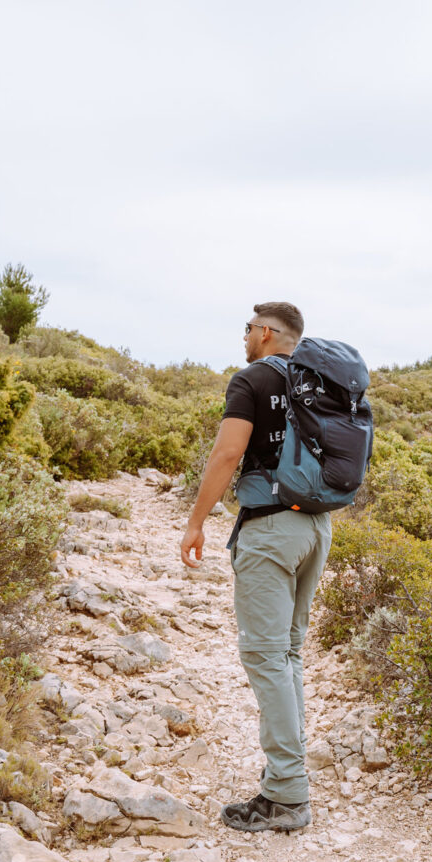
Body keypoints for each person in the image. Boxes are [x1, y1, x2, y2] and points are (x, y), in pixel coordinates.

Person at [180, 301, 332, 832]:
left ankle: (287, 795)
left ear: (266, 333)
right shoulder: (323, 381)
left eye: (248, 328)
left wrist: (196, 520)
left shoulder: (251, 379)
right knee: (287, 654)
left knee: (266, 659)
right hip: (318, 526)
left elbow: (227, 456)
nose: (245, 336)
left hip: (270, 528)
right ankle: (287, 780)